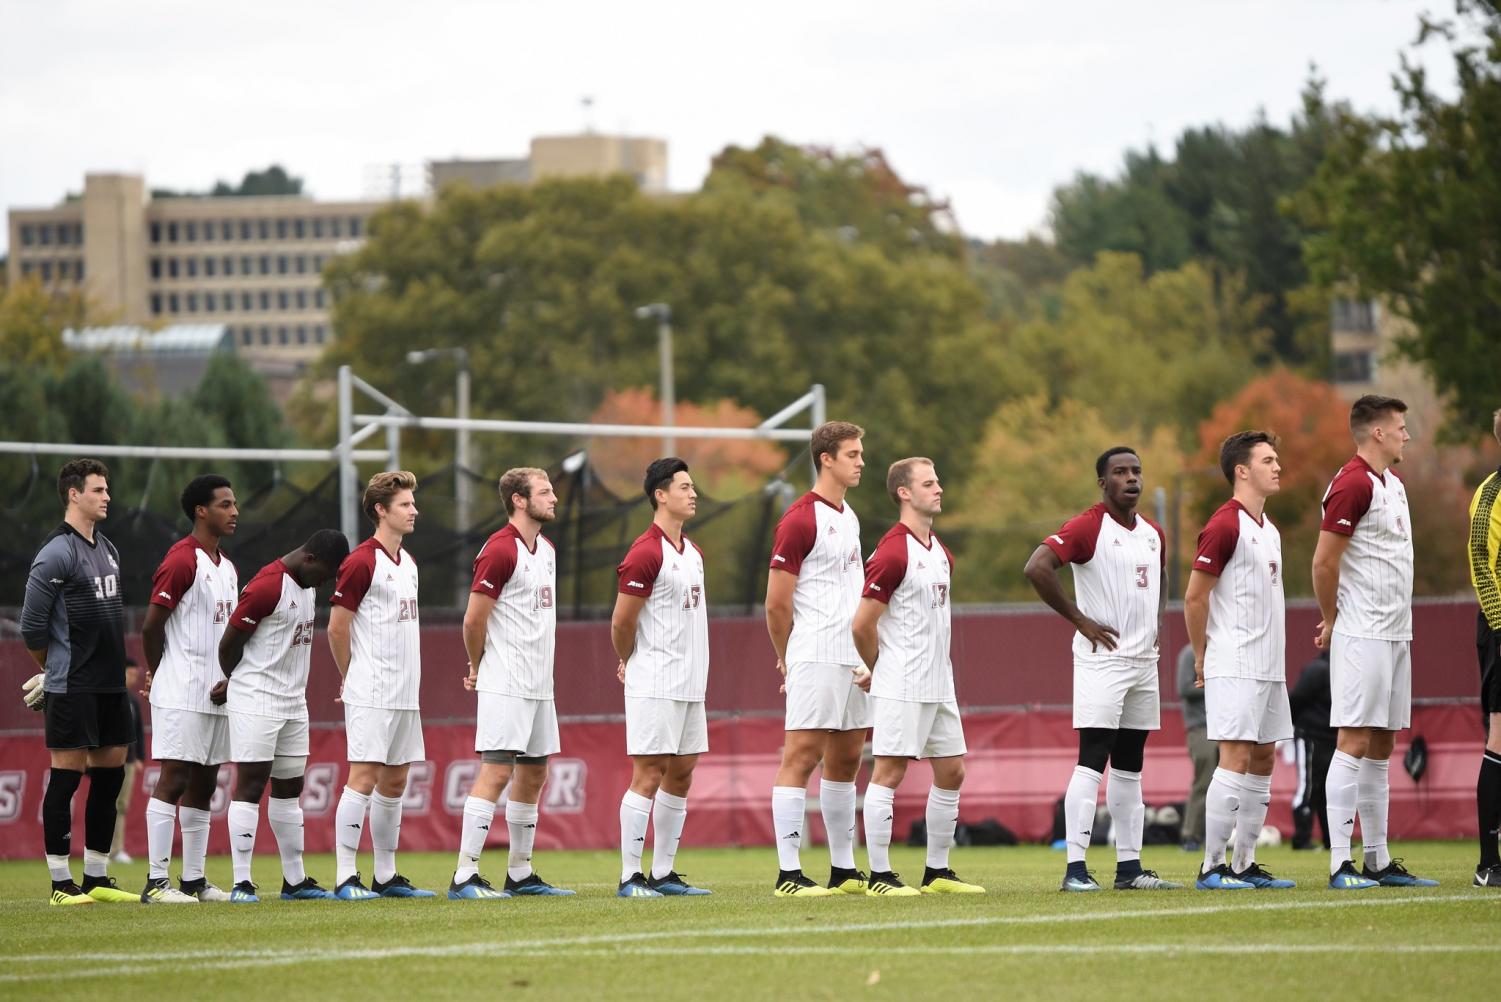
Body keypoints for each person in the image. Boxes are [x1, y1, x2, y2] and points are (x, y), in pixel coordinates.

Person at [1024, 446, 1180, 892]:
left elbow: (1162, 576)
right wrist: (1080, 620)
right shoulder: (1089, 526)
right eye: (1120, 472)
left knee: (1131, 767)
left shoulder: (1153, 533)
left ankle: (1129, 869)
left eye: (1136, 471)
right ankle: (1075, 869)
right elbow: (1036, 567)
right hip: (1103, 660)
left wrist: (1156, 624)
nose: (1131, 479)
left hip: (1142, 662)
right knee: (1092, 761)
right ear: (1103, 483)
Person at [1313, 394, 1437, 888]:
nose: (1407, 435)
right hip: (1361, 631)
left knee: (1383, 743)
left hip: (1395, 631)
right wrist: (1330, 617)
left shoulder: (1395, 486)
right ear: (1377, 433)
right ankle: (1340, 862)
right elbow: (1324, 562)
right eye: (1401, 427)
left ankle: (1378, 860)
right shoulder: (1351, 484)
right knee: (1354, 739)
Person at [853, 457, 983, 897]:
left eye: (938, 480)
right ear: (904, 493)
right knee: (888, 773)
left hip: (938, 680)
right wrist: (878, 667)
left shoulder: (940, 552)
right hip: (902, 680)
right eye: (928, 483)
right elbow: (861, 624)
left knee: (952, 771)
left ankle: (937, 872)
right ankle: (880, 876)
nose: (938, 488)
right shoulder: (892, 551)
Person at [450, 468, 574, 900]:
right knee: (497, 769)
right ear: (519, 500)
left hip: (541, 684)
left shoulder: (548, 550)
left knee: (535, 773)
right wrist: (476, 665)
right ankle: (464, 876)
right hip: (506, 681)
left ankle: (519, 872)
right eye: (544, 491)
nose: (554, 497)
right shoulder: (500, 550)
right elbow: (473, 618)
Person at [21, 458, 138, 905]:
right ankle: (59, 884)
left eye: (107, 489)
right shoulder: (56, 551)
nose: (107, 496)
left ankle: (96, 877)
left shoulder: (108, 548)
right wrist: (53, 670)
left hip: (110, 685)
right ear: (74, 494)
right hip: (73, 685)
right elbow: (33, 626)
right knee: (66, 781)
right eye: (97, 489)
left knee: (109, 782)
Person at [1183, 430, 1296, 891]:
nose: (1278, 467)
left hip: (1269, 666)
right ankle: (1212, 867)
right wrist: (1203, 657)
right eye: (1268, 460)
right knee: (1233, 757)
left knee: (1264, 756)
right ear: (1241, 470)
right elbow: (1194, 597)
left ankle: (1245, 864)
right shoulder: (1225, 524)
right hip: (1235, 661)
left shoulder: (1269, 529)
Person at [213, 530, 350, 902]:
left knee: (290, 788)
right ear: (309, 559)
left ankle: (294, 880)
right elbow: (228, 645)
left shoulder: (306, 585)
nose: (326, 581)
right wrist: (235, 680)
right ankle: (242, 882)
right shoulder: (266, 587)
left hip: (293, 701)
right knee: (252, 784)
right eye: (326, 572)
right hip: (258, 699)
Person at [765, 420, 870, 898]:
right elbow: (776, 603)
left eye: (860, 453)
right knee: (801, 756)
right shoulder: (799, 518)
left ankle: (843, 869)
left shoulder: (848, 516)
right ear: (826, 458)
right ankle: (789, 874)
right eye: (852, 454)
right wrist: (787, 657)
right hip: (814, 654)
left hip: (851, 658)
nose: (861, 461)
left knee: (847, 759)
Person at [328, 470, 435, 899]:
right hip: (371, 688)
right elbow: (337, 629)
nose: (414, 511)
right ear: (380, 510)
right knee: (364, 776)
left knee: (396, 780)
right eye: (405, 505)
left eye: (412, 503)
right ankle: (344, 876)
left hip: (406, 692)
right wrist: (351, 676)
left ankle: (386, 875)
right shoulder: (361, 561)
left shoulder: (407, 563)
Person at [610, 458, 712, 898]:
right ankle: (630, 876)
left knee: (682, 773)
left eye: (693, 487)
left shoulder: (693, 552)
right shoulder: (645, 551)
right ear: (660, 494)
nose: (693, 494)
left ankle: (663, 873)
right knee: (648, 773)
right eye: (685, 487)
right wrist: (628, 659)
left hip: (691, 683)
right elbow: (621, 622)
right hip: (655, 679)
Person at [140, 473, 240, 903]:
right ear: (201, 511)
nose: (234, 512)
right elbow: (150, 626)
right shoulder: (182, 559)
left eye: (234, 504)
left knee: (205, 783)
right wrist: (160, 671)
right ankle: (156, 882)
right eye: (224, 504)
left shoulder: (228, 567)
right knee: (174, 778)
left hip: (218, 693)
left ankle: (194, 879)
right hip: (182, 690)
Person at [1466, 407, 1501, 888]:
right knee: (1500, 737)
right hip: (1500, 629)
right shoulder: (1490, 494)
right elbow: (1481, 562)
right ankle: (1488, 862)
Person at [1288, 650, 1335, 851]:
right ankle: (1302, 838)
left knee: (1326, 790)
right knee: (1308, 787)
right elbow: (1296, 697)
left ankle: (1330, 841)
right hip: (1311, 736)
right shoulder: (1319, 669)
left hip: (1328, 737)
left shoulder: (1332, 669)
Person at [1175, 645, 1214, 852]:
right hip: (1200, 728)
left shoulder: (1219, 648)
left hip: (1223, 727)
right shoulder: (1190, 653)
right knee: (1203, 782)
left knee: (1226, 785)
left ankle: (1218, 835)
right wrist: (1216, 684)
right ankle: (1191, 835)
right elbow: (1183, 688)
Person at [110, 658, 147, 864]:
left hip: (129, 760)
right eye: (131, 673)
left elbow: (139, 731)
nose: (134, 678)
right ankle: (102, 849)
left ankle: (117, 849)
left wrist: (140, 756)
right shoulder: (110, 697)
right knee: (106, 802)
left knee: (121, 805)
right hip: (109, 757)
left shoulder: (133, 700)